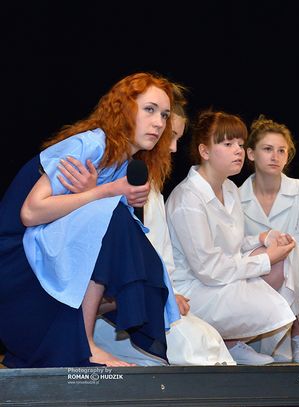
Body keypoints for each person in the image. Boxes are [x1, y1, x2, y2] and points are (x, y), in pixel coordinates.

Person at [0, 72, 180, 368]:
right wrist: (104, 192)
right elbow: (30, 213)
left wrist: (102, 194)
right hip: (17, 259)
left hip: (49, 253)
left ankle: (78, 336)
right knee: (115, 218)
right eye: (149, 109)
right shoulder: (91, 144)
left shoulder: (125, 163)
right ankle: (86, 344)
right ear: (124, 108)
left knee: (143, 261)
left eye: (164, 115)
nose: (159, 123)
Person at [92, 85, 235, 366]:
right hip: (116, 304)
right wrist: (160, 293)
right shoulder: (113, 175)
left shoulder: (153, 188)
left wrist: (168, 292)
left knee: (210, 340)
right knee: (193, 351)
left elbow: (161, 254)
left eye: (177, 138)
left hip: (156, 295)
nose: (172, 147)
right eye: (171, 137)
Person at [165, 111, 297, 365]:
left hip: (218, 278)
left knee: (281, 266)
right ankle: (230, 342)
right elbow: (209, 269)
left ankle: (232, 343)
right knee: (270, 294)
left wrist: (262, 238)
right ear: (205, 151)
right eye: (228, 144)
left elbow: (231, 244)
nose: (238, 150)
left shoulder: (229, 188)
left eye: (240, 143)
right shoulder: (188, 199)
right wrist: (265, 259)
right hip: (194, 289)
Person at [239, 115, 299, 362]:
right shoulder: (235, 196)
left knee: (298, 258)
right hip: (256, 270)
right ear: (251, 154)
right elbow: (235, 244)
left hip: (295, 266)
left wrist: (283, 248)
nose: (275, 156)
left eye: (281, 150)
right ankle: (273, 337)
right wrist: (267, 247)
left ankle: (296, 334)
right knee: (274, 262)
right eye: (268, 149)